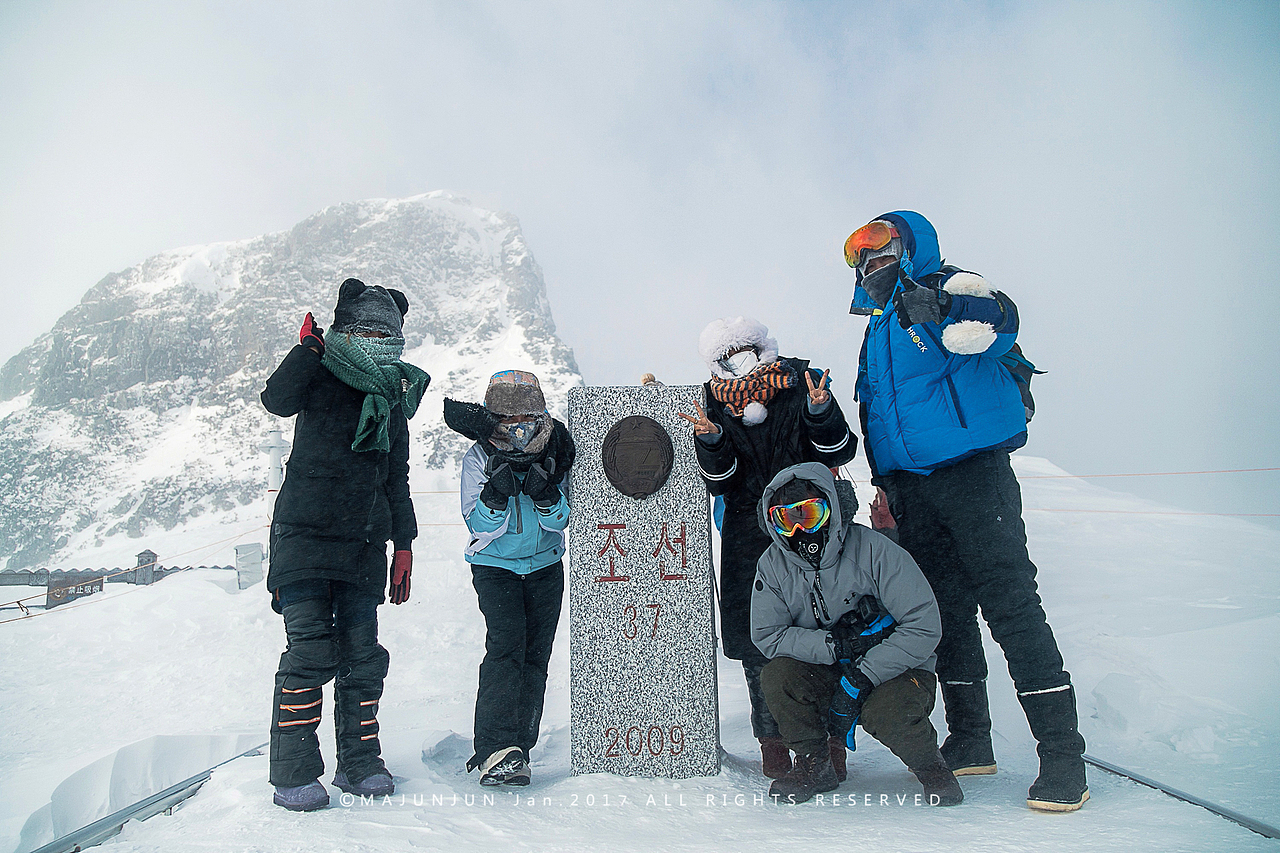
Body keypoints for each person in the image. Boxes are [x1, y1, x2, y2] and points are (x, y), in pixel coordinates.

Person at [844, 211, 1088, 811]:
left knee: (1010, 605)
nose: (868, 258)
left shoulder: (953, 287)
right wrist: (888, 488)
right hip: (911, 489)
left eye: (878, 243)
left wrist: (946, 309)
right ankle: (971, 738)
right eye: (857, 253)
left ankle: (1062, 756)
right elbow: (879, 411)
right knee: (945, 612)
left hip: (975, 473)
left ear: (909, 245)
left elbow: (999, 322)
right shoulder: (877, 330)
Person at [261, 278, 429, 811]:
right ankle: (294, 771)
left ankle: (359, 764)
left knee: (362, 657)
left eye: (386, 331)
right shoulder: (319, 369)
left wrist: (404, 541)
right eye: (363, 329)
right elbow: (276, 399)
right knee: (310, 651)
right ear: (342, 329)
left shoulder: (394, 394)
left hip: (362, 543)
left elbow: (395, 477)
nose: (375, 338)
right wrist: (306, 351)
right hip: (304, 536)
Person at [678, 317, 857, 780]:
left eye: (749, 351)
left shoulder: (801, 384)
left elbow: (836, 451)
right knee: (757, 636)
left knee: (824, 626)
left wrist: (820, 412)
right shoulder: (711, 403)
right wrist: (713, 441)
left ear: (765, 348)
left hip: (808, 521)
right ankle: (773, 744)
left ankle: (827, 744)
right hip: (746, 532)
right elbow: (722, 481)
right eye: (729, 357)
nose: (741, 364)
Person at [751, 462, 961, 805]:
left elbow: (923, 624)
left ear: (833, 509)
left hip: (896, 669)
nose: (800, 531)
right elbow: (767, 635)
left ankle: (931, 767)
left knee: (888, 711)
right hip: (830, 665)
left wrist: (865, 672)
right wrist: (834, 646)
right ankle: (814, 763)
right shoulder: (773, 565)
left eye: (810, 514)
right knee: (779, 676)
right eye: (786, 520)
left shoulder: (875, 550)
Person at [444, 370, 576, 787]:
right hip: (495, 566)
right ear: (493, 422)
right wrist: (495, 496)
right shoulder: (479, 459)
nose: (519, 432)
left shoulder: (556, 453)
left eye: (527, 422)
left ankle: (520, 746)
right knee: (506, 648)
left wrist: (546, 494)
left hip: (544, 565)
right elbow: (477, 525)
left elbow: (564, 520)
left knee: (536, 654)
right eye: (508, 423)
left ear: (541, 419)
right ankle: (495, 747)